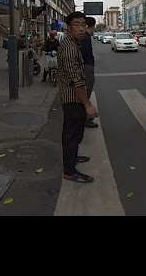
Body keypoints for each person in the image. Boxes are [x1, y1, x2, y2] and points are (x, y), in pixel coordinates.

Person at [57, 11, 98, 184]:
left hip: (73, 98)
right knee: (72, 135)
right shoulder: (69, 48)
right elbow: (77, 82)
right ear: (69, 27)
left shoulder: (72, 43)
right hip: (73, 99)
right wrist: (88, 104)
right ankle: (70, 171)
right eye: (76, 25)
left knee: (72, 133)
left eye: (83, 25)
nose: (81, 29)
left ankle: (72, 158)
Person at [81, 17, 98, 129]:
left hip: (87, 66)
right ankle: (84, 118)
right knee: (87, 90)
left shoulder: (85, 37)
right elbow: (83, 54)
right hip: (87, 67)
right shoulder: (86, 38)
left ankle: (85, 115)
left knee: (87, 89)